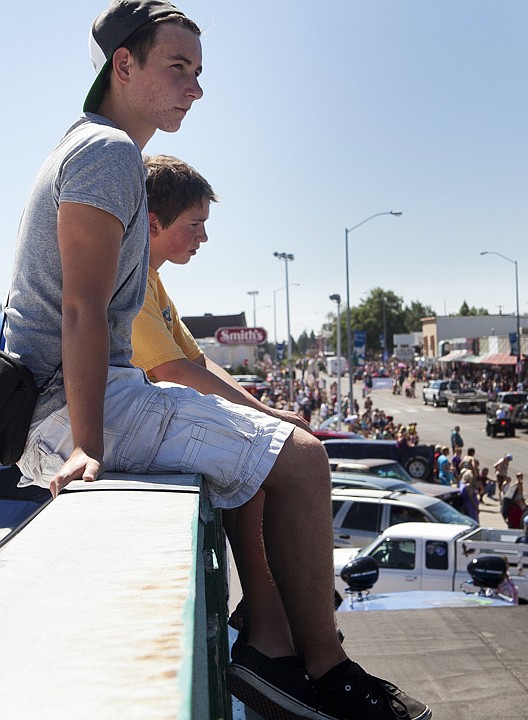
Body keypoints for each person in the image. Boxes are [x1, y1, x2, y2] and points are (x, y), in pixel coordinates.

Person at [3, 4, 432, 720]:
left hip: (71, 405)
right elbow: (78, 309)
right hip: (70, 409)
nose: (195, 89)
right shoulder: (106, 153)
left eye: (198, 73)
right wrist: (86, 445)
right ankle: (321, 670)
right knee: (301, 459)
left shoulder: (99, 150)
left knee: (265, 456)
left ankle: (270, 639)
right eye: (178, 68)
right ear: (124, 66)